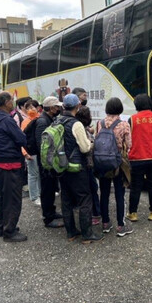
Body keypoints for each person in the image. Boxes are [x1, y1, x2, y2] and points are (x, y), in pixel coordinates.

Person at [58, 94, 103, 243]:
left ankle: (71, 232)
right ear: (77, 106)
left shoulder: (57, 120)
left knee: (66, 200)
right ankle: (87, 234)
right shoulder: (76, 124)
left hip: (62, 166)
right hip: (77, 168)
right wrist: (91, 143)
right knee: (85, 199)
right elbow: (84, 148)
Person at [0, 92, 29, 242]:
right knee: (13, 199)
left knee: (3, 198)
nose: (12, 102)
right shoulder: (7, 120)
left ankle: (2, 227)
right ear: (6, 102)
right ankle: (9, 231)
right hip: (10, 164)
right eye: (11, 100)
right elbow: (21, 138)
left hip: (0, 163)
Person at [96, 97, 133, 237]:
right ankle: (120, 226)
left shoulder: (100, 123)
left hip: (102, 163)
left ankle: (105, 223)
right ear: (120, 108)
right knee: (119, 194)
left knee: (104, 193)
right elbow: (129, 145)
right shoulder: (124, 125)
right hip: (118, 164)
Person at [126, 94, 152, 222]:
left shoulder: (133, 119)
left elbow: (129, 139)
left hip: (137, 158)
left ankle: (133, 213)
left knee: (136, 186)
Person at [33, 96, 64, 228]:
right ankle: (48, 217)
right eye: (57, 107)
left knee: (51, 189)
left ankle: (52, 211)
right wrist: (48, 163)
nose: (59, 108)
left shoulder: (49, 119)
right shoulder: (42, 122)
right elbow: (42, 145)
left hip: (50, 161)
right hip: (46, 163)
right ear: (51, 108)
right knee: (46, 189)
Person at [75, 106, 101, 225]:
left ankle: (94, 212)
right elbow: (85, 148)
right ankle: (95, 213)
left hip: (86, 165)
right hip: (87, 165)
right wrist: (92, 144)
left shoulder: (81, 128)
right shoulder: (82, 130)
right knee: (92, 190)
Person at [21, 99, 41, 205]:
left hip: (40, 152)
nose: (31, 109)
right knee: (33, 174)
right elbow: (22, 140)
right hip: (30, 153)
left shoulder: (40, 119)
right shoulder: (25, 122)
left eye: (32, 107)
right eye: (28, 108)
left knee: (40, 174)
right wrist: (25, 153)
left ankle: (40, 193)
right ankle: (34, 196)